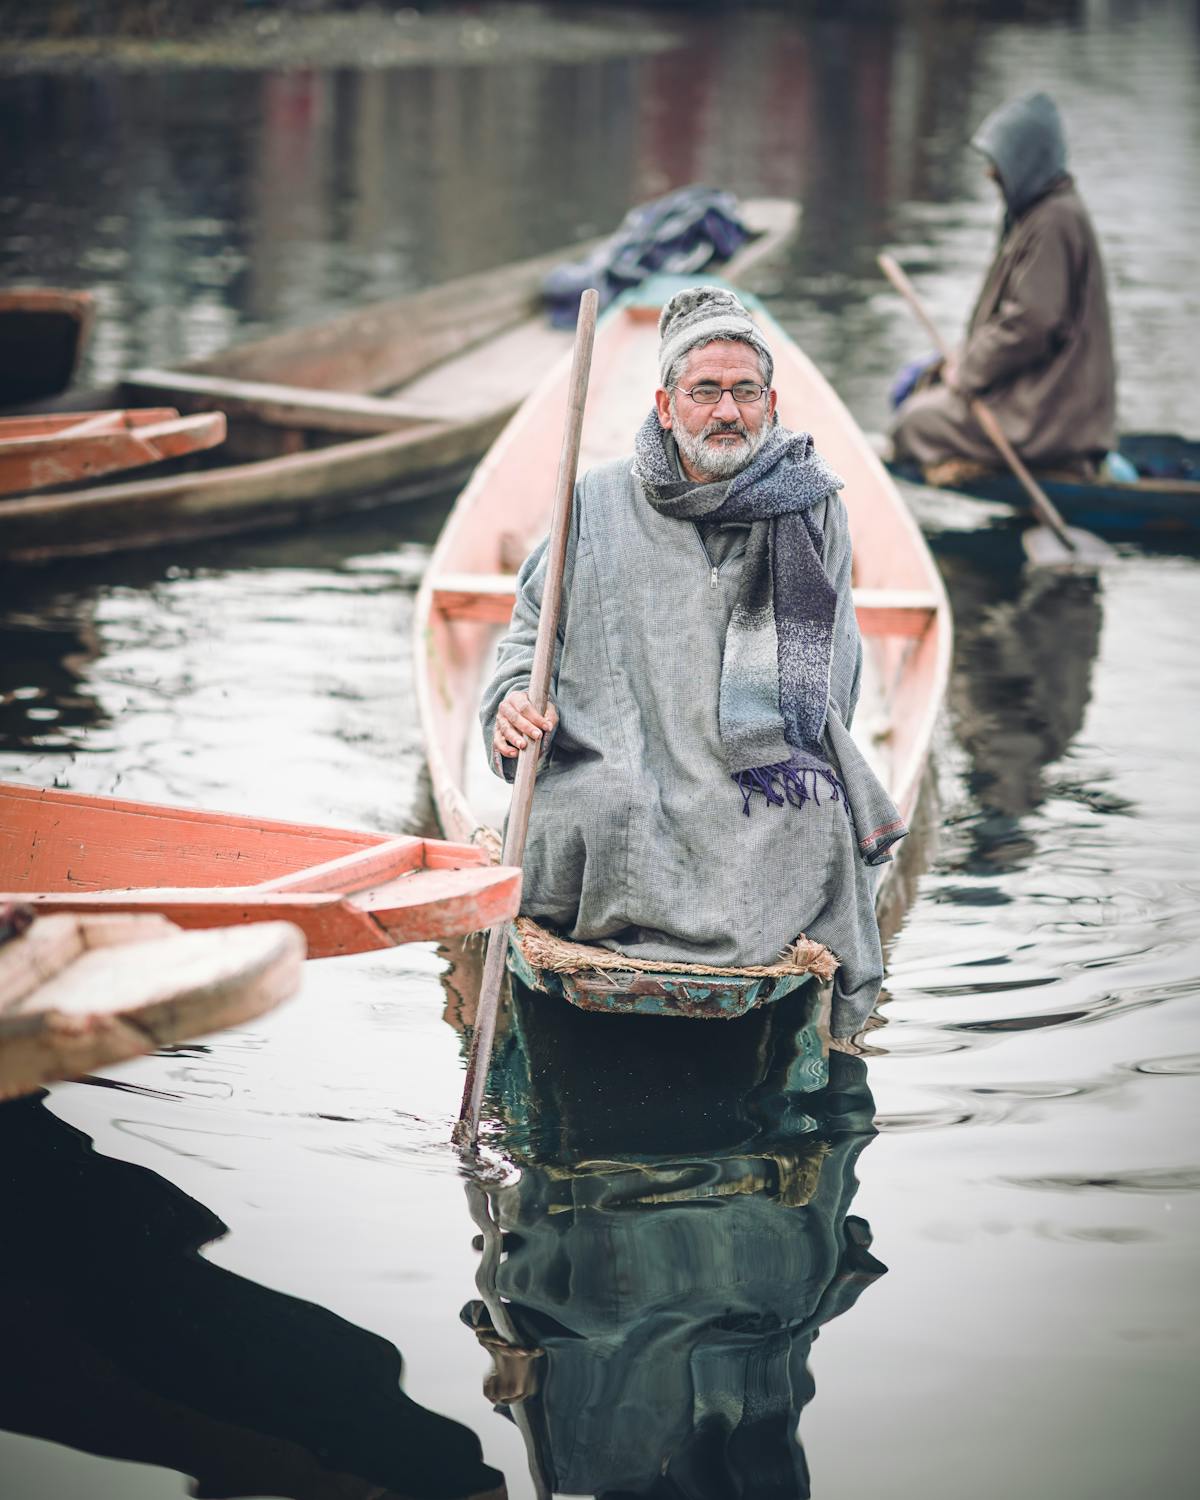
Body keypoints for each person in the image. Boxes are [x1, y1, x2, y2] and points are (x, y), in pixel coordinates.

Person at [480, 285, 906, 1040]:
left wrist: (758, 750)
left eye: (745, 391)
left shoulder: (812, 506)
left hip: (754, 773)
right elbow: (529, 639)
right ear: (666, 402)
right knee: (607, 806)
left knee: (812, 816)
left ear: (771, 403)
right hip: (622, 758)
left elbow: (834, 684)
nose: (727, 411)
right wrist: (513, 703)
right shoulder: (598, 500)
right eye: (704, 390)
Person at [890, 91, 1116, 477]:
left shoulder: (1053, 221)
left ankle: (991, 464)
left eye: (999, 164)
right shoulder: (1041, 214)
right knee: (921, 390)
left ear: (1025, 163)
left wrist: (968, 371)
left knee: (913, 423)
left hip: (1049, 414)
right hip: (1037, 398)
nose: (990, 173)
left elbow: (1031, 322)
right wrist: (955, 362)